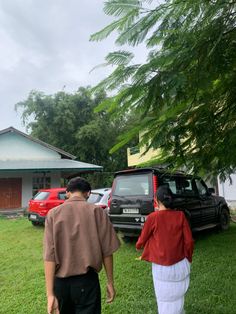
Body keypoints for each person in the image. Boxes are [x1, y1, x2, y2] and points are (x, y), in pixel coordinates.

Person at [43, 177, 120, 314]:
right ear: (88, 193)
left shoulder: (53, 214)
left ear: (67, 193)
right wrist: (110, 282)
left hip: (61, 284)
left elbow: (49, 256)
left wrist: (50, 294)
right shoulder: (97, 212)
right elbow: (107, 251)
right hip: (87, 283)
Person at [136, 185, 194, 314]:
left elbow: (141, 241)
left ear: (157, 200)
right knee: (178, 297)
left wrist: (139, 246)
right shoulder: (180, 215)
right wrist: (188, 258)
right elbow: (189, 241)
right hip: (180, 265)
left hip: (161, 267)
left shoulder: (152, 217)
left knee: (164, 298)